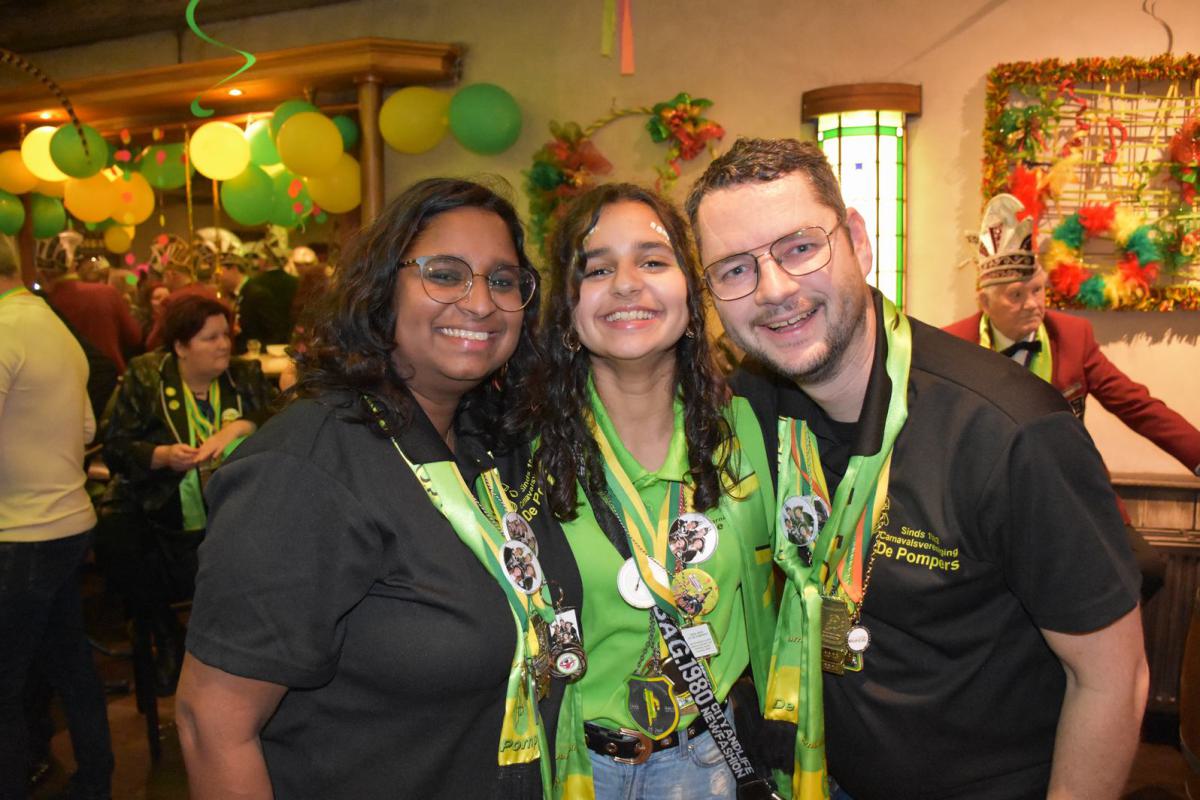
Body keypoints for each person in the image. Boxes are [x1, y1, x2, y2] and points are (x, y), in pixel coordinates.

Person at [686, 138, 1148, 800]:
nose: (775, 290)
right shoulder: (750, 411)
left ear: (857, 241)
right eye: (735, 269)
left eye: (799, 248)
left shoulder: (1008, 432)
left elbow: (1111, 679)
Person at [174, 178, 582, 800]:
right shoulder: (303, 469)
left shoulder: (489, 444)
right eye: (445, 274)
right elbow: (211, 726)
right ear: (382, 288)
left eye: (503, 281)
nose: (480, 303)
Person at [524, 184, 779, 798]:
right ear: (566, 309)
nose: (626, 284)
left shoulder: (748, 429)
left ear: (690, 293)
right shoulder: (521, 451)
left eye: (653, 261)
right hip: (570, 766)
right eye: (597, 269)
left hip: (711, 759)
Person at [98, 294, 274, 695]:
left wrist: (240, 427)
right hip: (165, 518)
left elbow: (279, 420)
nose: (223, 345)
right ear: (180, 346)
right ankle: (168, 637)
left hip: (238, 517)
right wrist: (159, 455)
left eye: (226, 335)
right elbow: (116, 447)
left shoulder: (244, 376)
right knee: (125, 541)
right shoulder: (147, 378)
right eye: (210, 338)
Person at [0, 233, 114, 799]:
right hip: (67, 520)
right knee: (72, 668)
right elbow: (87, 427)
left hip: (20, 530)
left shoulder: (4, 329)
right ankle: (96, 781)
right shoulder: (50, 324)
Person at [38, 231, 142, 373]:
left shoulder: (43, 304)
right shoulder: (107, 293)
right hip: (110, 376)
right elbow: (134, 337)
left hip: (65, 378)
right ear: (74, 265)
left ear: (42, 273)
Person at [235, 245, 301, 351]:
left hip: (260, 342)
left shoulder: (253, 283)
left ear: (265, 261)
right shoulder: (296, 282)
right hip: (288, 339)